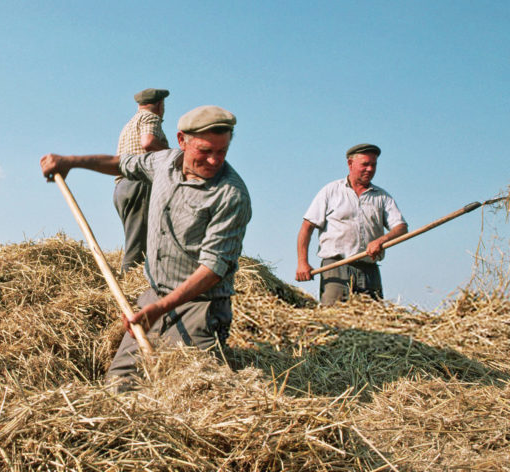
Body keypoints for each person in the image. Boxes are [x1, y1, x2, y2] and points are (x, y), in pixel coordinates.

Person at [41, 105, 251, 390]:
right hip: (154, 298)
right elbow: (120, 163)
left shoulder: (231, 195)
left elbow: (213, 269)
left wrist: (161, 308)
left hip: (200, 306)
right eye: (205, 151)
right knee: (119, 387)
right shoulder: (163, 162)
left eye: (222, 151)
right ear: (181, 140)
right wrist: (69, 162)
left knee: (190, 391)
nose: (214, 160)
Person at [295, 143, 408, 305]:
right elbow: (307, 228)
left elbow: (401, 227)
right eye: (365, 164)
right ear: (350, 164)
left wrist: (381, 240)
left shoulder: (382, 197)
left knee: (374, 322)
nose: (370, 169)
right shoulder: (331, 191)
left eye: (373, 165)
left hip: (369, 270)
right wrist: (302, 263)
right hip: (336, 268)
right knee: (334, 319)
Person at [114, 88, 170, 273]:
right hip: (140, 185)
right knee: (138, 244)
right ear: (160, 105)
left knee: (135, 237)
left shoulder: (129, 124)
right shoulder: (150, 118)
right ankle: (128, 287)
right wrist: (171, 155)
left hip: (122, 187)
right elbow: (148, 142)